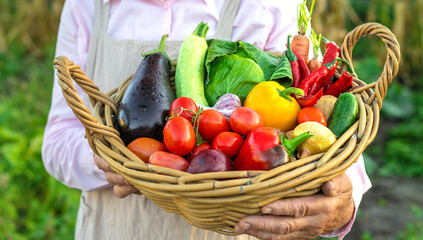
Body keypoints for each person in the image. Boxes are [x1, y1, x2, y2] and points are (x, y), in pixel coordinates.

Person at [42, 0, 372, 239]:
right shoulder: (87, 6)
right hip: (115, 229)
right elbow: (58, 139)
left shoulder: (270, 5)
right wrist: (110, 156)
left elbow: (321, 133)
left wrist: (342, 206)